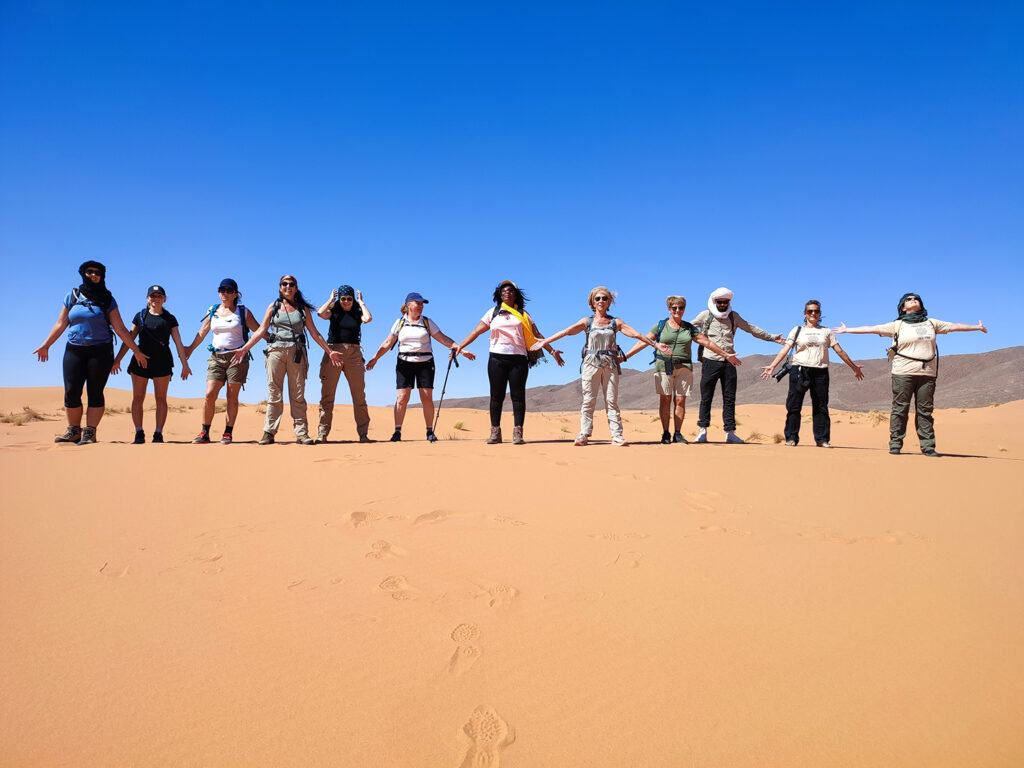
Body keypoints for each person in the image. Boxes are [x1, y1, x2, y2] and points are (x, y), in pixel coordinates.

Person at [834, 293, 986, 456]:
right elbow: (872, 329)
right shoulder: (897, 325)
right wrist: (847, 329)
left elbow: (954, 326)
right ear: (902, 306)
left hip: (927, 373)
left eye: (916, 298)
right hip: (903, 372)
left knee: (925, 410)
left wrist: (976, 327)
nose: (913, 300)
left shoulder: (932, 323)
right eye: (908, 299)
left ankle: (928, 446)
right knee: (900, 408)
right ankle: (895, 444)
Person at [532, 287, 671, 446]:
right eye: (597, 298)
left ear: (609, 301)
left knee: (611, 400)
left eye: (604, 298)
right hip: (591, 363)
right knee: (588, 400)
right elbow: (567, 331)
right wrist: (546, 341)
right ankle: (584, 434)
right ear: (592, 301)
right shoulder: (587, 322)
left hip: (610, 364)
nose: (601, 301)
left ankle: (617, 435)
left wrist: (655, 345)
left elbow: (636, 334)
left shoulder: (615, 322)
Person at [33, 261, 148, 445]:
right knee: (71, 391)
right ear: (83, 273)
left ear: (102, 276)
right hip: (74, 349)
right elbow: (61, 323)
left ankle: (90, 432)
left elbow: (120, 328)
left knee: (95, 392)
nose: (93, 275)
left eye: (97, 273)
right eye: (89, 272)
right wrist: (46, 345)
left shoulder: (107, 299)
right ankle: (73, 431)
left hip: (100, 350)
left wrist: (136, 351)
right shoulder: (72, 296)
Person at [230, 275, 342, 445]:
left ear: (296, 288)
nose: (287, 286)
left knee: (297, 394)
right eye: (284, 284)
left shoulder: (302, 309)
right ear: (280, 287)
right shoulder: (273, 306)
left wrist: (330, 351)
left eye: (291, 284)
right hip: (275, 351)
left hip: (297, 352)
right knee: (274, 393)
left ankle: (301, 433)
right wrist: (245, 349)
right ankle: (269, 432)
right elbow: (261, 330)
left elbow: (314, 332)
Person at [453, 280, 564, 445]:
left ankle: (518, 432)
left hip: (518, 359)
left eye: (511, 290)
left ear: (516, 294)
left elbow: (537, 335)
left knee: (518, 397)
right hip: (496, 358)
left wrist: (552, 351)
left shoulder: (524, 314)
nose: (507, 293)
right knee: (496, 396)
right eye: (504, 290)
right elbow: (476, 331)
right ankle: (495, 432)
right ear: (499, 294)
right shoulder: (493, 312)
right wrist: (460, 346)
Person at [622, 295, 740, 444]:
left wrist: (725, 355)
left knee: (680, 401)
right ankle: (665, 433)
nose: (678, 310)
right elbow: (644, 341)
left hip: (684, 367)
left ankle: (678, 433)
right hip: (664, 366)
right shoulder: (661, 325)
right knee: (665, 400)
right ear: (669, 309)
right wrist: (625, 356)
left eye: (681, 307)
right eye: (674, 308)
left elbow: (707, 342)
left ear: (684, 309)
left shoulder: (689, 328)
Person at [366, 292, 473, 442]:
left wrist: (460, 349)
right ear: (409, 305)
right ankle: (397, 431)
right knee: (402, 397)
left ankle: (429, 431)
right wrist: (375, 358)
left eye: (422, 304)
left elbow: (443, 338)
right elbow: (387, 343)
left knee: (426, 397)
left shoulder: (427, 322)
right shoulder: (399, 323)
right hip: (404, 362)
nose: (421, 306)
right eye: (418, 303)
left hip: (425, 363)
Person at [759, 300, 864, 447]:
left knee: (821, 406)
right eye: (810, 311)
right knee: (794, 405)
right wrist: (772, 366)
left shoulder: (826, 331)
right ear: (805, 314)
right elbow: (785, 349)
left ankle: (822, 440)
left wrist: (853, 367)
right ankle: (791, 438)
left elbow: (839, 350)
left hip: (820, 371)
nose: (813, 314)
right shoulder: (797, 330)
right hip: (799, 369)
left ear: (820, 314)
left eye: (816, 311)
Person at [691, 287, 784, 444]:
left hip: (730, 361)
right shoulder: (705, 315)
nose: (722, 305)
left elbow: (751, 328)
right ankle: (703, 431)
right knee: (706, 397)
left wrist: (772, 337)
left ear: (729, 302)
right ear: (715, 301)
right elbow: (689, 328)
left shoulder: (734, 316)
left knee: (729, 397)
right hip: (710, 360)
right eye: (719, 302)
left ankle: (730, 432)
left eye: (725, 302)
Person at [111, 285, 192, 443]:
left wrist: (185, 365)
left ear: (164, 299)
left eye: (159, 296)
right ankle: (139, 432)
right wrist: (117, 360)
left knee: (161, 399)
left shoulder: (170, 319)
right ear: (147, 298)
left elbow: (178, 342)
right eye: (152, 296)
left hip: (162, 362)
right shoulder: (140, 316)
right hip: (141, 361)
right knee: (138, 398)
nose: (156, 299)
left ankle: (158, 433)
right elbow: (129, 339)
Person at [183, 278, 260, 444]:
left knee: (232, 396)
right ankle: (204, 431)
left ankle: (228, 432)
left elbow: (259, 330)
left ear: (235, 294)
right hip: (216, 357)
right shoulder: (213, 310)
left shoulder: (243, 311)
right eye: (221, 290)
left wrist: (270, 340)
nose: (224, 293)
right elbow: (203, 332)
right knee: (209, 394)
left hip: (237, 358)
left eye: (228, 290)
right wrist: (190, 348)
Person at [316, 285, 372, 443]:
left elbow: (368, 318)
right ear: (339, 299)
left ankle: (363, 434)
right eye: (343, 299)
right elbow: (320, 313)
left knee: (359, 396)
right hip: (334, 352)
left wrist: (361, 303)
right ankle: (322, 434)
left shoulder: (357, 312)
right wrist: (330, 300)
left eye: (349, 298)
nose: (346, 301)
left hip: (354, 354)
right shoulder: (333, 311)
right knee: (327, 396)